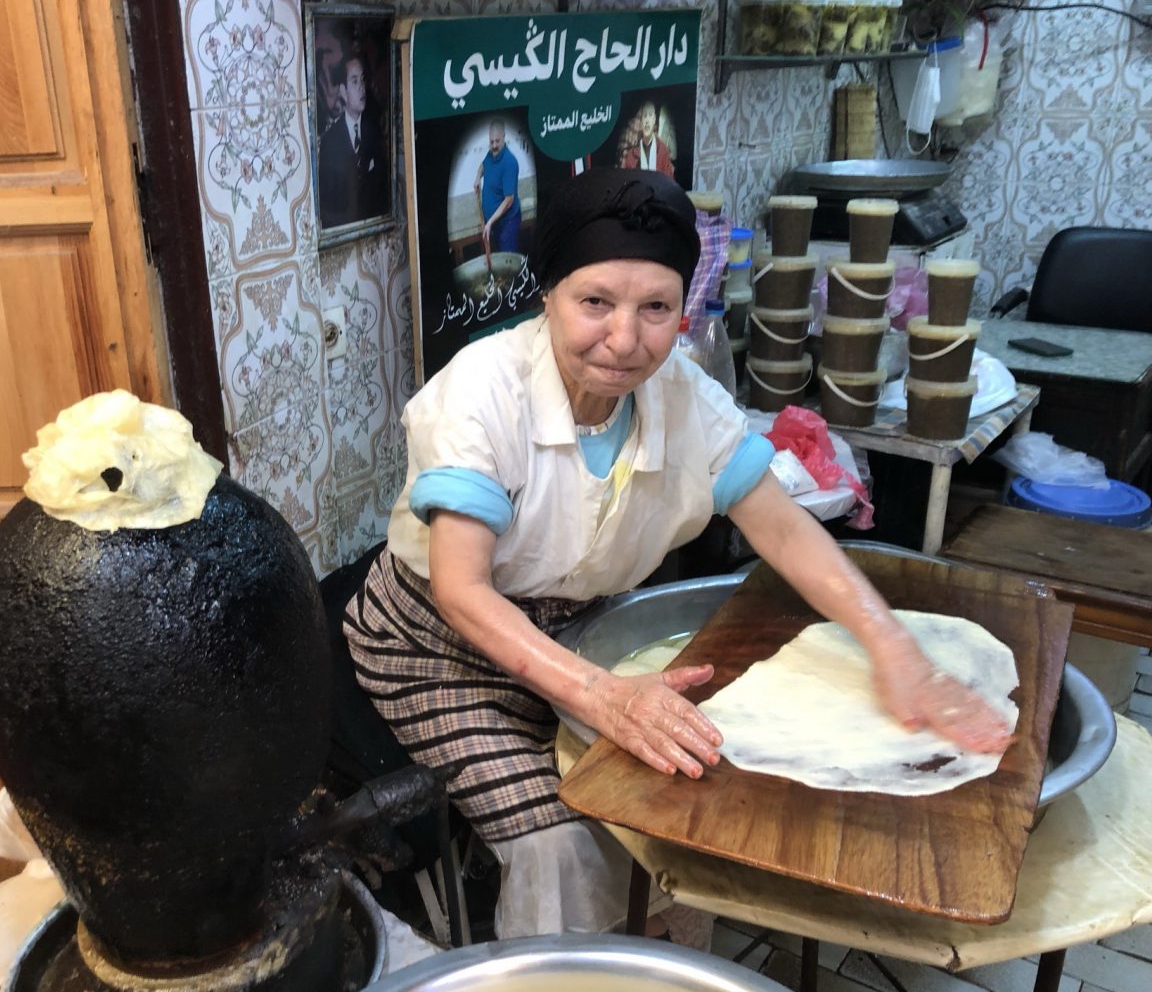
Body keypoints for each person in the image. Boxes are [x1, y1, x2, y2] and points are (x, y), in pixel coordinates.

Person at [344, 168, 1012, 941]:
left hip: (575, 635)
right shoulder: (481, 396)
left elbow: (785, 529)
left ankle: (665, 973)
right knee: (558, 840)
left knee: (678, 804)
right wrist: (602, 698)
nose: (625, 340)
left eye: (655, 308)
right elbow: (462, 591)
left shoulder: (682, 399)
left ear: (680, 309)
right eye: (594, 302)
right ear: (547, 294)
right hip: (434, 648)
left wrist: (897, 650)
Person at [318, 55, 386, 228]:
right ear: (343, 92)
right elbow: (326, 206)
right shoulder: (329, 142)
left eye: (363, 80)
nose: (361, 88)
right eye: (354, 82)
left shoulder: (374, 131)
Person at [474, 121, 521, 254]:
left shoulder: (509, 162)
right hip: (495, 223)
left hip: (507, 224)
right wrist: (478, 177)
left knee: (508, 261)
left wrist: (489, 223)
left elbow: (509, 200)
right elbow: (483, 166)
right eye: (491, 141)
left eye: (497, 141)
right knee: (498, 257)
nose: (494, 145)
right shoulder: (491, 154)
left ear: (504, 137)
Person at [621, 100, 674, 177]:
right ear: (641, 122)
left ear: (654, 119)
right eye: (645, 116)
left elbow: (669, 182)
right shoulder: (631, 155)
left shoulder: (662, 151)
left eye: (650, 115)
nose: (647, 121)